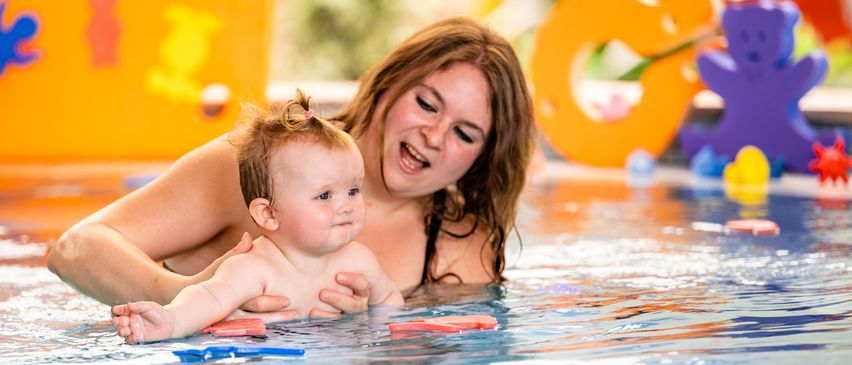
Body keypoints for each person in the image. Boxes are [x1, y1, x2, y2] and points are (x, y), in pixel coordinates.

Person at [46, 16, 535, 317]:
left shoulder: (460, 249)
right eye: (427, 104)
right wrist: (194, 297)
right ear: (390, 82)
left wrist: (370, 325)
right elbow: (75, 249)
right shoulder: (258, 165)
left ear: (481, 159)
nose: (434, 135)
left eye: (464, 133)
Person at [111, 92, 403, 344]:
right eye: (325, 196)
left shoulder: (359, 261)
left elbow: (390, 301)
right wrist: (170, 321)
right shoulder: (255, 267)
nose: (347, 206)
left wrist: (381, 333)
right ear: (269, 213)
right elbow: (207, 298)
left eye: (353, 190)